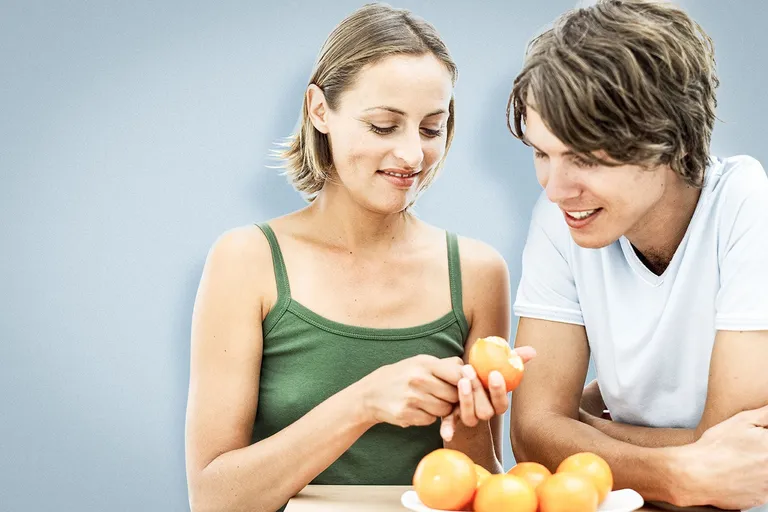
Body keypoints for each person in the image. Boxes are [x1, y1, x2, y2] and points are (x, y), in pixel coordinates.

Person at [184, 4, 533, 512]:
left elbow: (476, 482)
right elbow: (214, 499)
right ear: (319, 109)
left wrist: (468, 422)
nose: (413, 155)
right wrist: (364, 402)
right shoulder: (247, 261)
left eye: (432, 129)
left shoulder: (479, 272)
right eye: (384, 125)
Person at [506, 0, 768, 510]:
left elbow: (740, 465)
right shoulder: (565, 214)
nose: (556, 188)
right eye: (542, 152)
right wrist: (678, 472)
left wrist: (579, 431)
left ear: (668, 141)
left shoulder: (746, 203)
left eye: (584, 157)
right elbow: (531, 437)